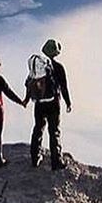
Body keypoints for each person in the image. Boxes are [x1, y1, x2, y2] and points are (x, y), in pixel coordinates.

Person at [29, 38, 71, 170]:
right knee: (54, 131)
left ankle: (35, 158)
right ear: (55, 53)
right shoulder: (58, 67)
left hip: (39, 103)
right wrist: (68, 102)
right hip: (53, 103)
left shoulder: (36, 66)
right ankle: (56, 162)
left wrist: (28, 98)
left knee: (38, 128)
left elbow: (30, 84)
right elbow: (64, 87)